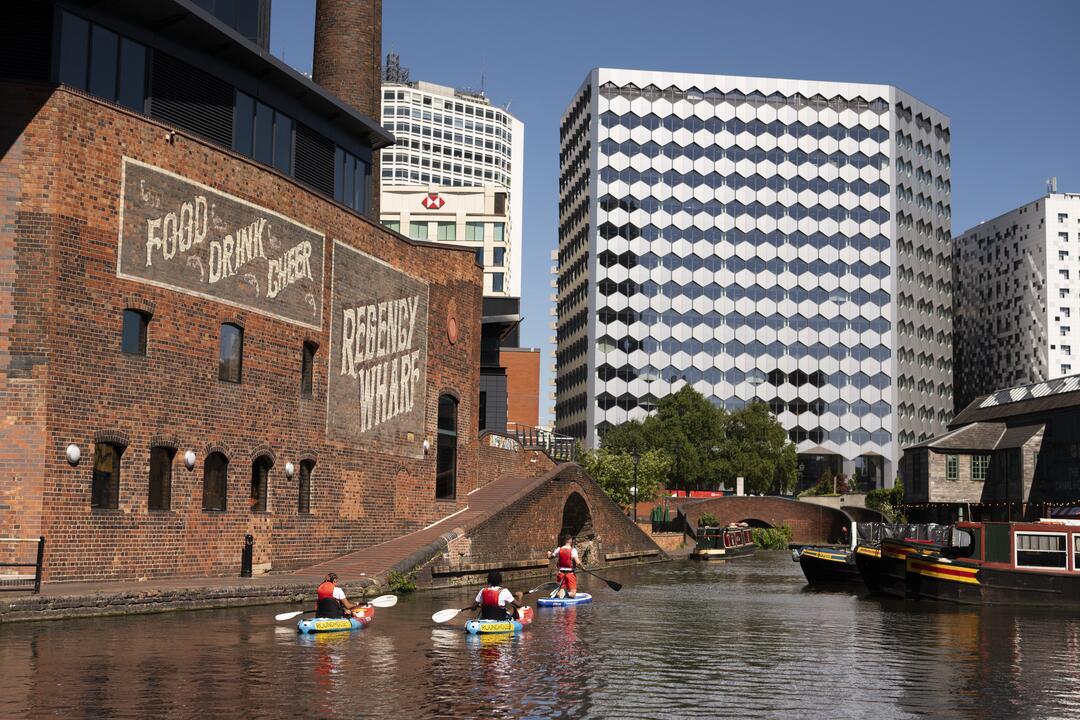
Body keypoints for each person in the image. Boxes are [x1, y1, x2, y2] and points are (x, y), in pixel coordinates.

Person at [549, 534, 579, 598]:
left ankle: (559, 594)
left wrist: (548, 554)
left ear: (564, 540)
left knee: (561, 591)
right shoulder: (573, 550)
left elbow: (550, 557)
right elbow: (577, 562)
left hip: (561, 574)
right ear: (571, 540)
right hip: (570, 574)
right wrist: (583, 567)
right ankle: (565, 593)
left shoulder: (558, 549)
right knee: (573, 594)